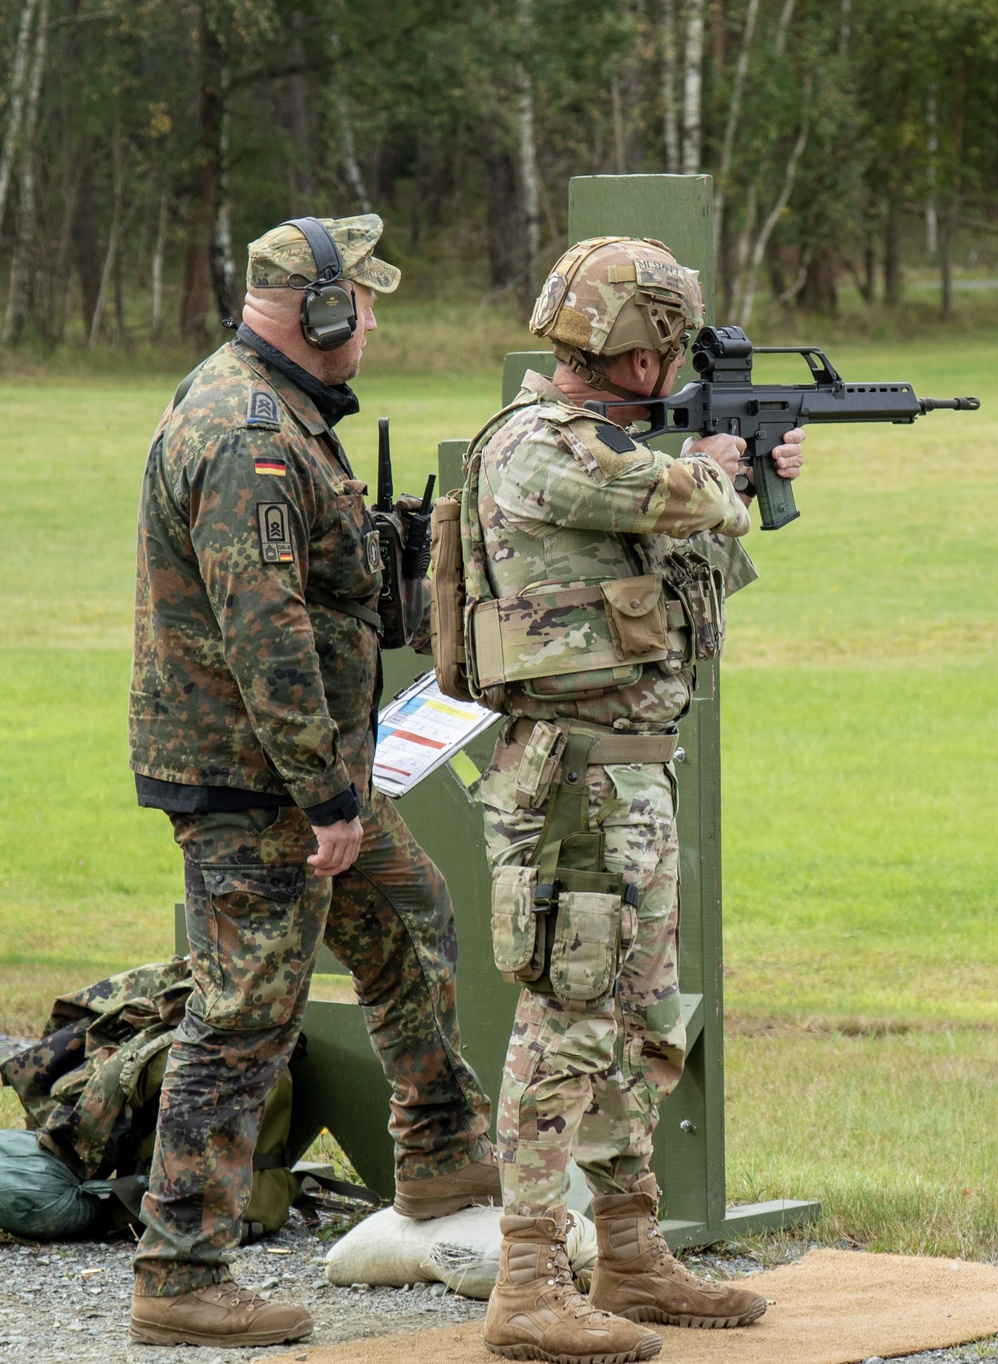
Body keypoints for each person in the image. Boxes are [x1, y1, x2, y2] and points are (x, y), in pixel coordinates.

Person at [127, 214, 498, 1349]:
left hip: (302, 766)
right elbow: (265, 633)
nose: (374, 321)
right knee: (245, 1013)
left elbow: (312, 597)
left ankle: (438, 1158)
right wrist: (328, 802)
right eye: (363, 304)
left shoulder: (279, 411)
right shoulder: (249, 433)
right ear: (321, 313)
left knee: (407, 908)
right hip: (259, 779)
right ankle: (180, 1267)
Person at [465, 237, 805, 1363]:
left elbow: (692, 579)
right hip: (572, 782)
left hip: (628, 773)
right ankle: (526, 1281)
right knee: (564, 1024)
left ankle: (628, 1250)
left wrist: (741, 481)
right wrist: (722, 470)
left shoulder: (606, 449)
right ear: (643, 346)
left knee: (635, 1025)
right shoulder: (538, 448)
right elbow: (671, 491)